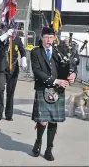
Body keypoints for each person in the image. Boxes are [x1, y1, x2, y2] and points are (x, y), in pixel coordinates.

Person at [30, 26, 76, 161]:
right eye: (46, 37)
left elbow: (71, 66)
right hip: (43, 88)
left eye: (51, 37)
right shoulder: (36, 52)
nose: (48, 40)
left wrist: (73, 75)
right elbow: (37, 71)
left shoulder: (59, 51)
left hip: (58, 90)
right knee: (43, 121)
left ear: (54, 38)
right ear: (41, 38)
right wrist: (56, 80)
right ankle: (38, 142)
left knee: (53, 121)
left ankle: (49, 149)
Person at [0, 25, 27, 121]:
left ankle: (9, 114)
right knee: (0, 88)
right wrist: (6, 35)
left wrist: (23, 58)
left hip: (13, 69)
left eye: (14, 31)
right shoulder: (0, 38)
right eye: (10, 31)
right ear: (5, 30)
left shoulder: (17, 40)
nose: (13, 33)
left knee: (10, 92)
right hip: (1, 69)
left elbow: (22, 50)